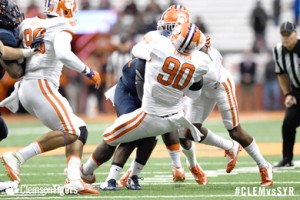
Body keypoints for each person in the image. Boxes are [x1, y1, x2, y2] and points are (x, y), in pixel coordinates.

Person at [80, 21, 210, 190]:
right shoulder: (200, 62)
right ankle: (124, 175)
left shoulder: (159, 47)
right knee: (143, 136)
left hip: (150, 110)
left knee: (117, 136)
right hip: (156, 108)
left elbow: (136, 50)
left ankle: (97, 174)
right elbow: (195, 93)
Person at [0, 0, 100, 194]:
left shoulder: (28, 23)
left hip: (29, 86)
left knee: (80, 128)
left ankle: (73, 180)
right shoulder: (62, 24)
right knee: (72, 131)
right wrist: (87, 70)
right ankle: (18, 156)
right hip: (41, 84)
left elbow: (14, 55)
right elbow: (63, 54)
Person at [180, 45, 273, 187]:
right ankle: (229, 147)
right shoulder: (176, 50)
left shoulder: (204, 60)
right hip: (201, 89)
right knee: (189, 132)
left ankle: (264, 165)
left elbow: (213, 62)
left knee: (235, 131)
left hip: (220, 85)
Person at [273, 21, 300, 168]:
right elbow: (281, 74)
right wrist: (287, 94)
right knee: (288, 124)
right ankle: (287, 159)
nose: (285, 38)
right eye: (283, 35)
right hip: (296, 91)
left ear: (295, 34)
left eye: (288, 35)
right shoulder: (278, 50)